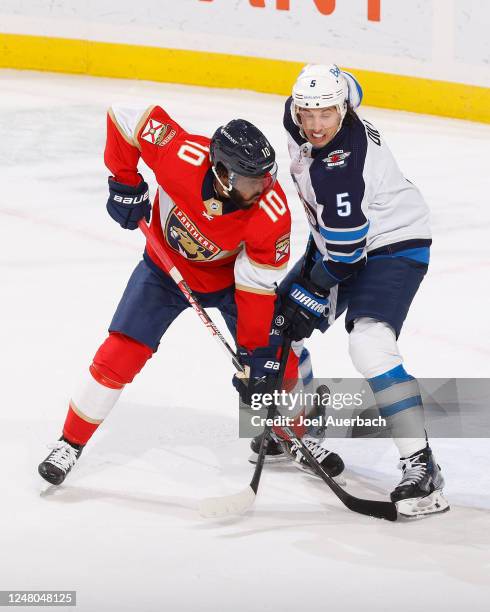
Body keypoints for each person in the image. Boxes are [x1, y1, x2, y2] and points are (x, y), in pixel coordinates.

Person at [38, 104, 343, 485]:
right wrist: (124, 180)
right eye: (250, 182)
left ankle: (294, 435)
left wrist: (255, 355)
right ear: (220, 172)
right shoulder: (180, 154)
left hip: (232, 283)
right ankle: (70, 443)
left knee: (277, 360)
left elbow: (256, 288)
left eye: (264, 180)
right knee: (118, 355)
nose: (261, 190)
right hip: (163, 271)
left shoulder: (270, 213)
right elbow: (124, 117)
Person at [265, 63, 449, 518]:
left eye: (325, 114)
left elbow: (346, 259)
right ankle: (299, 428)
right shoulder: (313, 109)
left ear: (342, 111)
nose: (314, 124)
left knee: (369, 343)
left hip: (392, 243)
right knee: (277, 325)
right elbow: (350, 80)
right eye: (307, 113)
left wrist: (309, 295)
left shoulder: (341, 169)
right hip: (336, 238)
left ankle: (421, 464)